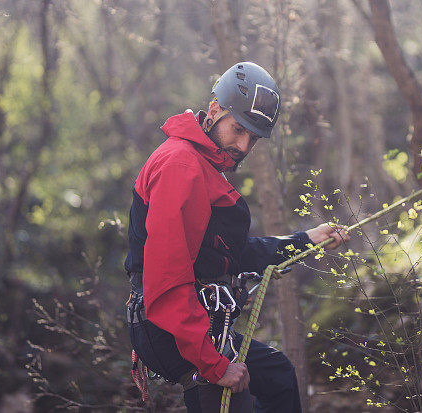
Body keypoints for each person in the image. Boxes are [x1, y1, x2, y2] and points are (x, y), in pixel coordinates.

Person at [125, 61, 349, 412]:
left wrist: (304, 241)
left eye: (253, 139)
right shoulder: (181, 167)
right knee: (239, 394)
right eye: (238, 130)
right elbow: (166, 280)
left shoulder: (201, 165)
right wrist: (215, 366)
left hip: (190, 321)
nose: (244, 146)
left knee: (277, 377)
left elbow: (229, 253)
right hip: (175, 327)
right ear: (215, 110)